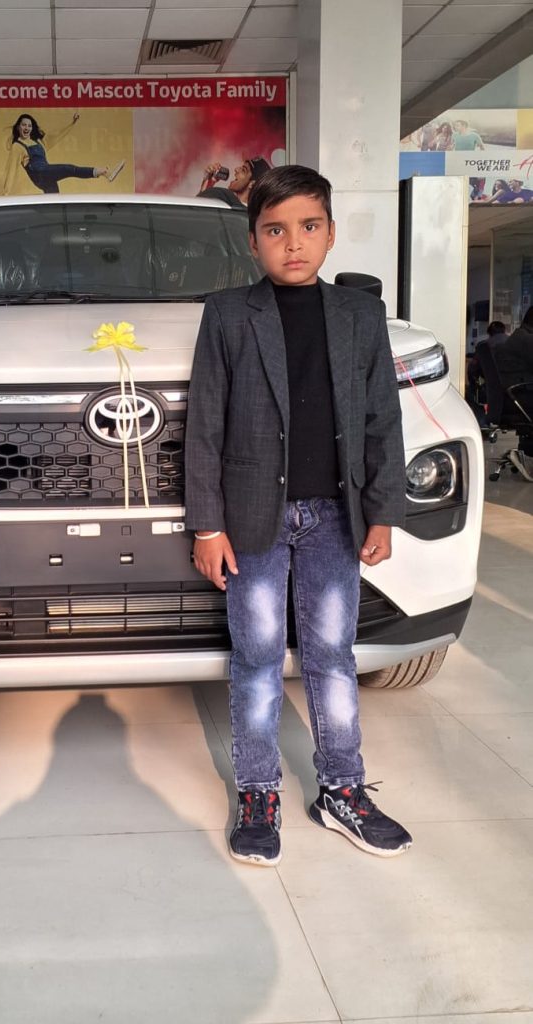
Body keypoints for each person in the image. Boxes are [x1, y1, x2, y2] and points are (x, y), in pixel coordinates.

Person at [185, 164, 412, 866]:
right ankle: (258, 792)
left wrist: (383, 511)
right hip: (253, 518)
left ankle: (342, 789)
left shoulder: (359, 316)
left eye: (309, 227)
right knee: (256, 658)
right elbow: (205, 426)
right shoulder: (228, 314)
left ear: (331, 233)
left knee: (332, 657)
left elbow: (382, 418)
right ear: (252, 241)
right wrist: (207, 525)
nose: (293, 243)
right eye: (275, 230)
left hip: (337, 517)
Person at [2, 112, 124, 196]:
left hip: (47, 176)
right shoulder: (17, 146)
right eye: (24, 125)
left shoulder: (39, 142)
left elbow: (57, 134)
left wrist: (72, 123)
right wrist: (6, 194)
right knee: (69, 168)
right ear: (18, 127)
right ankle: (104, 172)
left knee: (54, 201)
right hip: (40, 175)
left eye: (29, 125)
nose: (27, 128)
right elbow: (11, 170)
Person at [493, 308, 533, 479]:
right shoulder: (527, 341)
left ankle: (527, 455)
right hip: (522, 399)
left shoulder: (518, 338)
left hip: (515, 399)